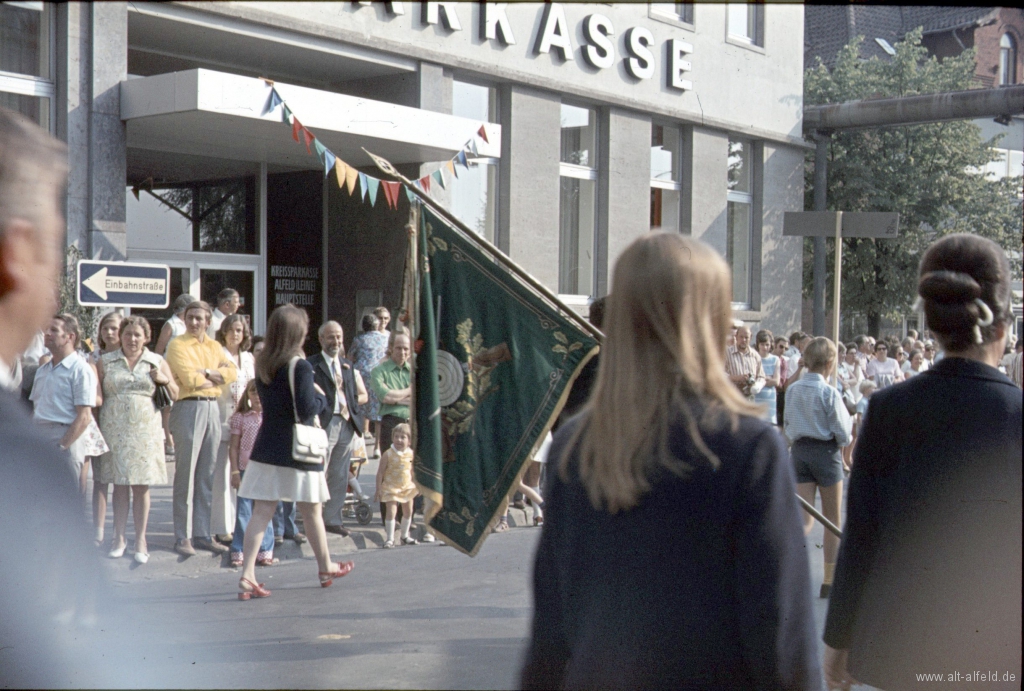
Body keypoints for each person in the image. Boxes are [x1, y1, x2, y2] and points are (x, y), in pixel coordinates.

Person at [522, 233, 822, 690]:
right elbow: (781, 632)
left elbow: (551, 630)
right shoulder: (750, 446)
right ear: (711, 320)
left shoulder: (573, 444)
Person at [824, 234, 1022, 691]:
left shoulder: (890, 409)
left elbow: (862, 539)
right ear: (1003, 327)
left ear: (931, 324)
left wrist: (838, 643)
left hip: (902, 650)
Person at [235, 304, 354, 600]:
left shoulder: (263, 364)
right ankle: (325, 566)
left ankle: (248, 574)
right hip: (299, 449)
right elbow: (306, 411)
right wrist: (322, 398)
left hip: (267, 447)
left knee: (261, 512)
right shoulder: (299, 366)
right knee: (311, 509)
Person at [96, 317, 176, 564]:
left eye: (137, 335)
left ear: (146, 337)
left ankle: (141, 539)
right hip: (115, 428)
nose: (132, 339)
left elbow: (175, 393)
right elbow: (98, 397)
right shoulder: (106, 361)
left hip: (145, 430)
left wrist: (163, 380)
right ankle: (118, 538)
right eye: (128, 334)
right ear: (121, 336)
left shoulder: (157, 361)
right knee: (120, 484)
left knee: (142, 486)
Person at [165, 300, 237, 556]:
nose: (194, 322)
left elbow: (232, 372)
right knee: (186, 474)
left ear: (208, 321)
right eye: (190, 317)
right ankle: (182, 536)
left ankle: (203, 533)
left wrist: (205, 374)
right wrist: (212, 377)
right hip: (188, 408)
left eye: (199, 318)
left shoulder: (215, 346)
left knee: (207, 473)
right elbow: (188, 379)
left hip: (212, 408)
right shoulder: (177, 345)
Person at [783, 337, 852, 599]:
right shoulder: (829, 393)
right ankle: (829, 579)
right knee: (832, 518)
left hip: (800, 451)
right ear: (830, 363)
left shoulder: (793, 390)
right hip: (826, 453)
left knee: (803, 518)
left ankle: (791, 574)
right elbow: (843, 433)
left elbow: (788, 423)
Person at [311, 320, 369, 538]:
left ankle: (333, 519)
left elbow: (359, 394)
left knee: (340, 473)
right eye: (331, 337)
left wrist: (352, 410)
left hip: (346, 423)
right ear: (321, 339)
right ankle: (313, 519)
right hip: (324, 423)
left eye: (339, 337)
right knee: (319, 472)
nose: (335, 341)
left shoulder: (347, 365)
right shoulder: (312, 365)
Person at [30, 314, 98, 482]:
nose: (47, 333)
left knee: (62, 501)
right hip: (41, 438)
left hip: (66, 438)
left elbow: (84, 416)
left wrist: (61, 446)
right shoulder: (42, 370)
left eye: (54, 330)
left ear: (70, 337)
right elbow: (36, 408)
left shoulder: (80, 370)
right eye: (47, 329)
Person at [211, 313, 256, 544]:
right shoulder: (218, 355)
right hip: (224, 419)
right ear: (224, 332)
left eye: (239, 330)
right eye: (231, 330)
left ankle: (243, 525)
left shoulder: (248, 358)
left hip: (246, 425)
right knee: (223, 475)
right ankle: (222, 527)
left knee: (245, 478)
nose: (235, 334)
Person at [228, 380, 276, 567]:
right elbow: (233, 447)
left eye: (260, 393)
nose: (257, 397)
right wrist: (234, 471)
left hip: (266, 468)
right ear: (248, 395)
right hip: (245, 468)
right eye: (253, 393)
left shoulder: (271, 416)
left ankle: (265, 549)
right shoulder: (240, 417)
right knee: (244, 511)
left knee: (265, 510)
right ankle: (239, 548)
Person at [88, 311, 122, 544]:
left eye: (114, 328)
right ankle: (97, 532)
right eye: (105, 328)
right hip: (99, 422)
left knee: (121, 481)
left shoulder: (126, 357)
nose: (109, 333)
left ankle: (118, 534)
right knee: (100, 480)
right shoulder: (92, 358)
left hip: (122, 425)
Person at [156, 293, 196, 458]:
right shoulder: (171, 324)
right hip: (169, 369)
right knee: (168, 407)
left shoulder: (188, 324)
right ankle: (168, 440)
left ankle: (179, 438)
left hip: (185, 369)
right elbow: (160, 348)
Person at [348, 313, 389, 456]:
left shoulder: (358, 340)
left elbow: (350, 358)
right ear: (377, 325)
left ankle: (359, 446)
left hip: (362, 375)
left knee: (359, 408)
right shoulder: (386, 338)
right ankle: (377, 447)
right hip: (379, 375)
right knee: (378, 412)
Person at [374, 423, 420, 548]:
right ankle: (389, 538)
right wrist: (378, 489)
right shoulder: (388, 454)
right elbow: (380, 472)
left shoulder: (411, 454)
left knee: (408, 510)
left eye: (403, 437)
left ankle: (404, 536)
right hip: (391, 487)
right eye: (396, 436)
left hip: (407, 487)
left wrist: (417, 484)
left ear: (409, 441)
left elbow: (412, 471)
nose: (399, 440)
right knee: (391, 511)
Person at [370, 331, 412, 455]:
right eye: (398, 348)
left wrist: (396, 399)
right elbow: (386, 396)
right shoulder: (379, 371)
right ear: (390, 348)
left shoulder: (414, 372)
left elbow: (418, 399)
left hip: (411, 425)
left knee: (410, 470)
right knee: (389, 468)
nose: (402, 352)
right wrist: (409, 390)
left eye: (406, 349)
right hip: (391, 425)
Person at [725, 324, 766, 401]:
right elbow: (719, 374)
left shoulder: (755, 355)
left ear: (750, 338)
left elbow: (761, 376)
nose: (743, 340)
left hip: (749, 399)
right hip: (731, 398)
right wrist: (737, 378)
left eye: (746, 337)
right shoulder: (727, 353)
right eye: (741, 337)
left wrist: (756, 386)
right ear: (736, 337)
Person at [753, 329, 780, 424]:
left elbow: (776, 381)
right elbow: (753, 379)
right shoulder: (754, 358)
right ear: (758, 345)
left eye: (767, 345)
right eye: (762, 344)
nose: (764, 347)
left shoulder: (775, 359)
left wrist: (761, 379)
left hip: (770, 400)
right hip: (757, 397)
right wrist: (767, 379)